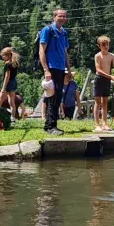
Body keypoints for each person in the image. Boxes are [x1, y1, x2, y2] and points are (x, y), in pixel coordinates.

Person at [37, 7, 71, 136]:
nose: (62, 18)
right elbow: (41, 50)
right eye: (59, 16)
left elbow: (65, 52)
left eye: (64, 16)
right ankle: (51, 126)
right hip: (51, 68)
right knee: (53, 97)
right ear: (54, 17)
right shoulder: (48, 30)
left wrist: (68, 69)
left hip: (61, 68)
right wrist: (46, 69)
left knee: (57, 97)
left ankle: (49, 125)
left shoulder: (64, 32)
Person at [92, 35, 114, 132]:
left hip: (107, 80)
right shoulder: (98, 56)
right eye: (103, 45)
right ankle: (97, 125)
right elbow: (98, 70)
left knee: (105, 102)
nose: (105, 46)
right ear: (99, 46)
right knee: (98, 102)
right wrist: (110, 76)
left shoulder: (112, 56)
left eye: (107, 44)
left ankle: (104, 124)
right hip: (99, 79)